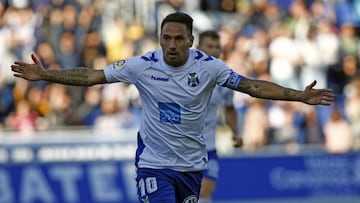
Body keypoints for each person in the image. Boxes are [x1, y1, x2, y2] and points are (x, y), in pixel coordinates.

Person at [11, 12, 335, 203]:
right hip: (154, 164)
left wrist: (299, 96)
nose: (171, 45)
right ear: (160, 38)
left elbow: (252, 86)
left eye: (179, 39)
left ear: (191, 41)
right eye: (166, 38)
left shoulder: (209, 67)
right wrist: (46, 75)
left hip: (192, 166)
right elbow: (93, 76)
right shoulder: (142, 65)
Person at [196, 30, 242, 203]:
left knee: (205, 192)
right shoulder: (183, 74)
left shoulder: (224, 78)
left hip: (209, 147)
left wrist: (235, 132)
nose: (214, 51)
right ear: (198, 47)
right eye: (209, 46)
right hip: (182, 148)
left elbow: (229, 108)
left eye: (217, 48)